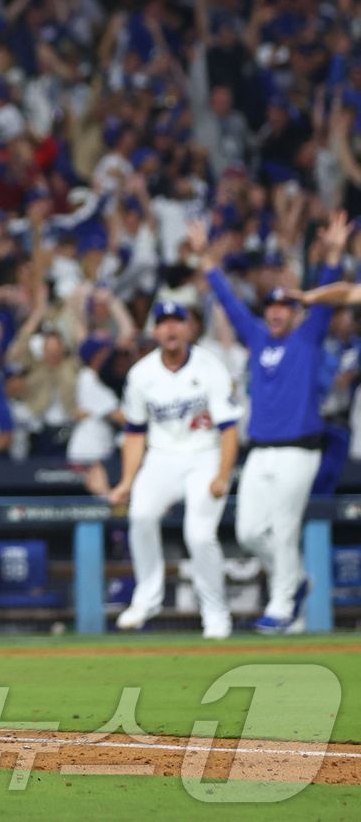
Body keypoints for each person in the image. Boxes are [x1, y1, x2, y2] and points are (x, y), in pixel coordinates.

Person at [200, 214, 345, 633]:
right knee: (247, 533)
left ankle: (282, 606)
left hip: (300, 450)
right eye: (273, 307)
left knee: (283, 530)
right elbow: (229, 303)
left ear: (298, 313)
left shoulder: (308, 337)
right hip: (260, 450)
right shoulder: (259, 337)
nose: (278, 313)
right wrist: (207, 261)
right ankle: (296, 582)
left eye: (286, 307)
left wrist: (332, 256)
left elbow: (327, 304)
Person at [106, 301, 242, 639]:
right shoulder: (141, 374)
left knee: (199, 534)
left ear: (189, 328)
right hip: (162, 456)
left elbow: (229, 428)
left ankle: (215, 614)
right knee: (140, 515)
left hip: (204, 453)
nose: (170, 329)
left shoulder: (211, 366)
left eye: (176, 323)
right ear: (155, 331)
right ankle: (147, 600)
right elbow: (135, 433)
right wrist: (126, 480)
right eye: (163, 323)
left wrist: (223, 474)